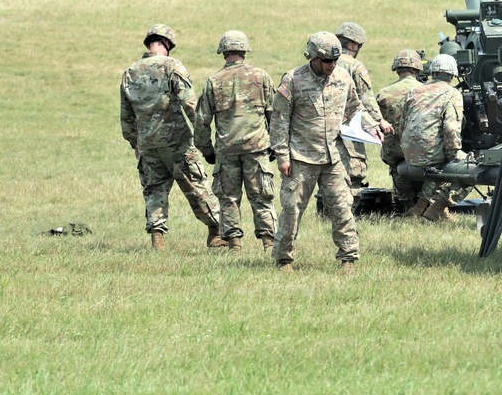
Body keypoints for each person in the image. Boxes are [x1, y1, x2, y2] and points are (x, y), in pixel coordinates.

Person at [269, 31, 382, 273]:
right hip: (301, 158)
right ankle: (284, 260)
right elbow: (279, 120)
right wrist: (282, 156)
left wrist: (372, 127)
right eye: (327, 61)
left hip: (334, 157)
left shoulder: (343, 77)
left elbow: (354, 108)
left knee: (342, 208)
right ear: (313, 57)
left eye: (335, 60)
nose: (332, 65)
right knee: (291, 210)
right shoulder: (293, 79)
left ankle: (348, 259)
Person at [120, 24, 223, 251]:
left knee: (154, 190)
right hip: (177, 142)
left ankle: (158, 238)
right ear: (167, 44)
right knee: (197, 187)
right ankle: (216, 232)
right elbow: (190, 105)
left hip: (147, 145)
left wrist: (135, 143)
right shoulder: (173, 67)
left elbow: (126, 115)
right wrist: (202, 136)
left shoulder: (130, 72)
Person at [194, 30, 278, 254]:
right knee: (262, 197)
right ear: (244, 51)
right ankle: (269, 244)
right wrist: (276, 145)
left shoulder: (213, 81)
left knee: (229, 199)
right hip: (257, 147)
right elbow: (275, 114)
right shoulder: (261, 77)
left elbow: (201, 121)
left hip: (226, 150)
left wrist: (207, 151)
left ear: (223, 53)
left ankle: (234, 245)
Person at [400, 53, 468, 222]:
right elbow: (451, 128)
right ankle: (439, 208)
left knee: (435, 169)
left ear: (432, 72)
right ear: (452, 75)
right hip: (430, 154)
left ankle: (420, 208)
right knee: (470, 169)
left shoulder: (414, 91)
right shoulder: (452, 94)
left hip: (409, 154)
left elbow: (402, 124)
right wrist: (455, 155)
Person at [333, 22, 393, 192]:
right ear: (353, 44)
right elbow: (366, 97)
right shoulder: (354, 66)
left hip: (324, 125)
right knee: (354, 169)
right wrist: (380, 121)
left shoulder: (324, 62)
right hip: (350, 124)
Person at [376, 49, 424, 212]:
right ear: (417, 69)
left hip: (394, 151)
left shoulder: (383, 93)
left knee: (395, 165)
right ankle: (424, 204)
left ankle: (406, 204)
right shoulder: (426, 92)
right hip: (421, 151)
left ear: (397, 69)